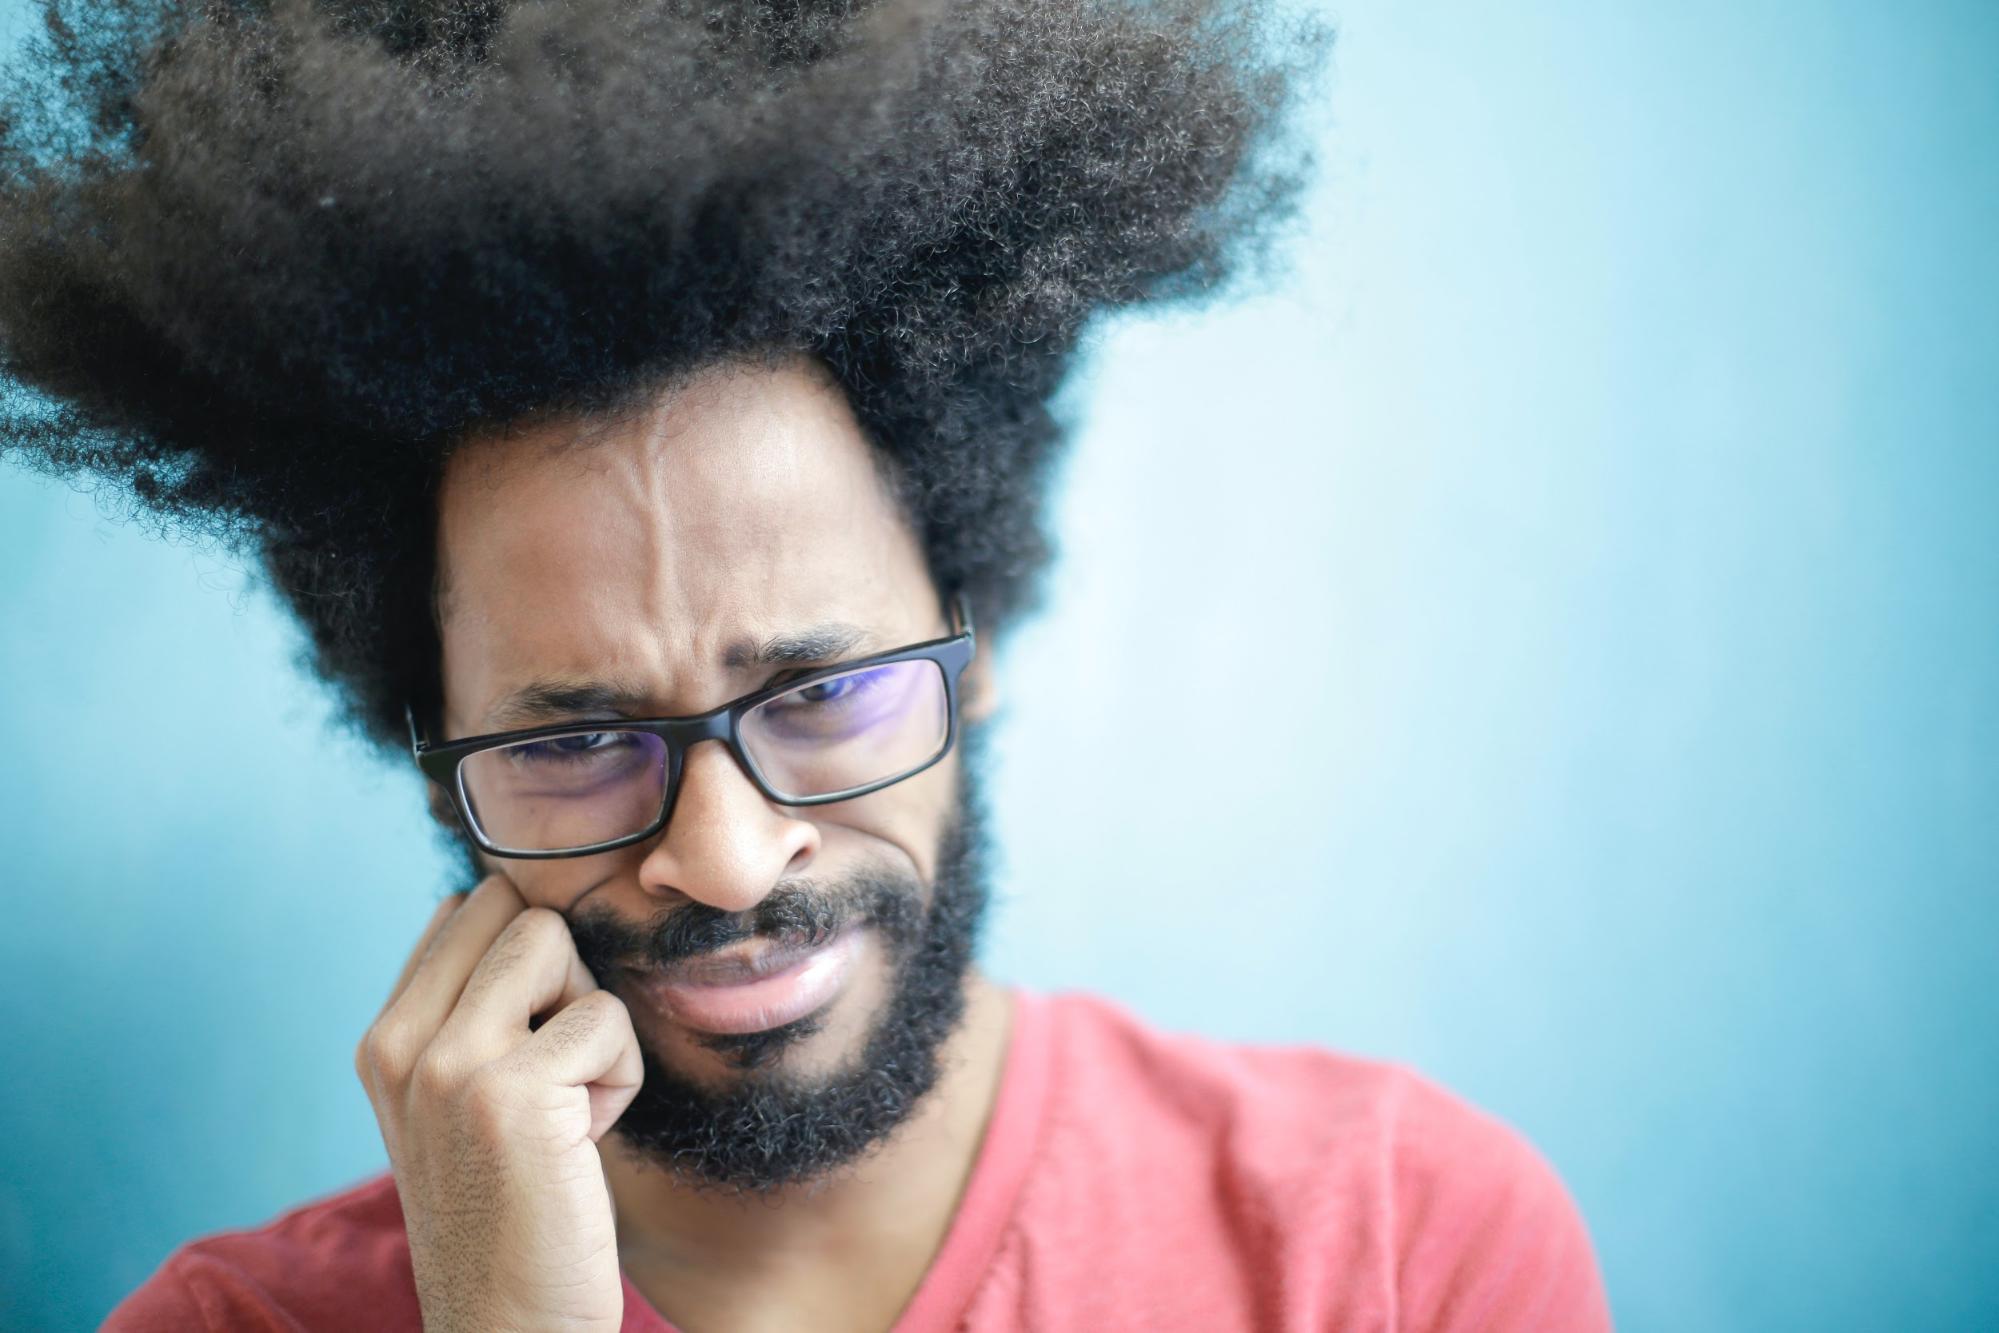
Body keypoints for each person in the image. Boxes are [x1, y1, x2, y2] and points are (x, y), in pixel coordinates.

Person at [0, 0, 1613, 1328]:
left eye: (821, 693)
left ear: (971, 639)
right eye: (575, 740)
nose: (721, 852)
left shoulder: (1400, 1248)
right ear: (438, 757)